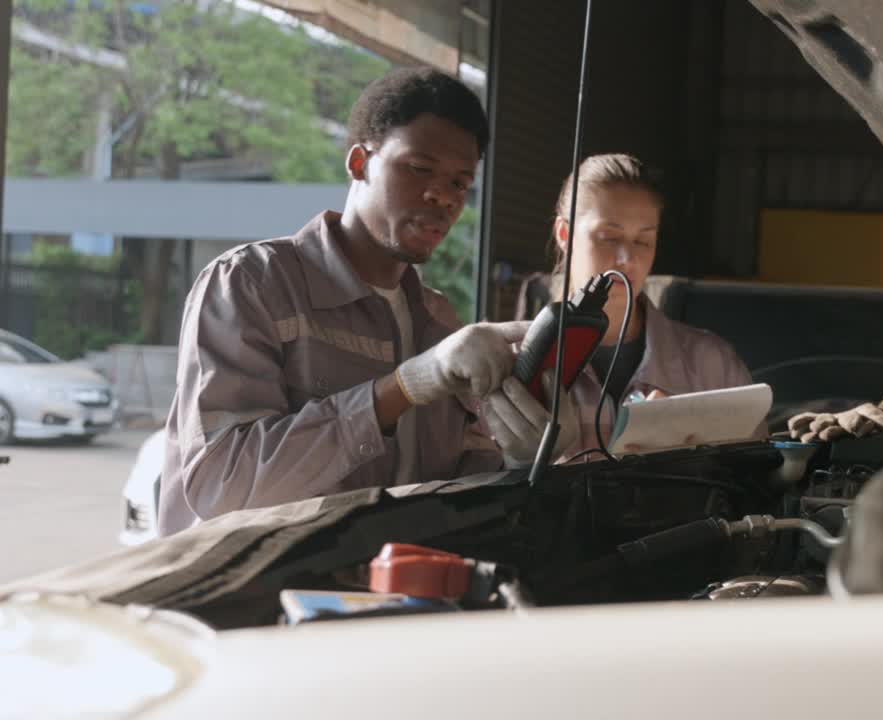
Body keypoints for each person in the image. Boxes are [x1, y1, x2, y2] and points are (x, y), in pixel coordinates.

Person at [158, 69, 578, 536]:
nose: (442, 196)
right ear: (359, 162)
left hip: (388, 594)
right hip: (250, 596)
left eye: (460, 183)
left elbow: (460, 498)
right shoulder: (250, 285)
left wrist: (519, 458)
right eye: (419, 168)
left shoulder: (439, 323)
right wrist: (402, 387)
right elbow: (222, 486)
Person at [544, 153, 755, 460]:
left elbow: (754, 483)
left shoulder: (712, 367)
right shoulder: (517, 365)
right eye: (608, 237)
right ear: (564, 234)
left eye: (643, 241)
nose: (627, 259)